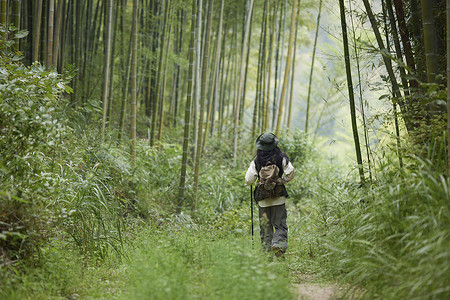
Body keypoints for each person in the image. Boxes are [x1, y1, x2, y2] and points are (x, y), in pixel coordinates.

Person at [245, 132, 295, 258]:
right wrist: (283, 181)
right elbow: (291, 172)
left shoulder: (257, 161)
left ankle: (267, 254)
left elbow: (248, 180)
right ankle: (278, 245)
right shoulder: (281, 158)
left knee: (265, 227)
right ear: (275, 145)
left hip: (263, 199)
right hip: (279, 197)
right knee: (280, 225)